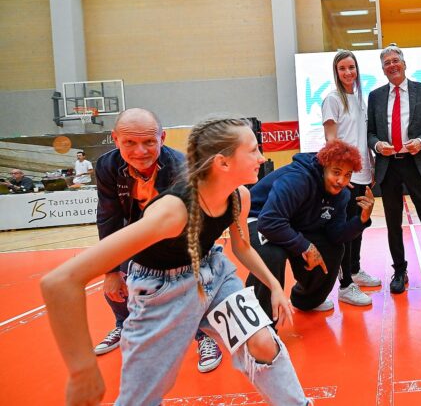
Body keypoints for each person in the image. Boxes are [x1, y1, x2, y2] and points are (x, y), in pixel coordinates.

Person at [40, 116, 310, 406]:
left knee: (263, 343)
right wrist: (82, 370)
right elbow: (60, 281)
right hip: (159, 289)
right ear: (223, 162)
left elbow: (242, 247)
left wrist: (275, 287)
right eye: (254, 150)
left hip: (214, 273)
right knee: (140, 398)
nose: (262, 157)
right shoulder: (172, 212)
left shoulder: (239, 196)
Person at [93, 108, 222, 373]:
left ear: (162, 138)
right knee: (116, 278)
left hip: (178, 233)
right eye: (130, 142)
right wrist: (111, 270)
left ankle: (204, 335)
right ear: (116, 140)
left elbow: (192, 223)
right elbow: (109, 216)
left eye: (149, 142)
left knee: (191, 282)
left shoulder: (181, 167)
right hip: (137, 228)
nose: (140, 151)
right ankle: (123, 325)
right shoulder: (107, 166)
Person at [245, 140, 374, 318]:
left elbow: (336, 235)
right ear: (323, 167)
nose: (341, 181)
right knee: (273, 255)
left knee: (333, 248)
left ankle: (306, 300)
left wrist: (361, 220)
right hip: (258, 217)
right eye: (336, 172)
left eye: (347, 175)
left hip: (290, 222)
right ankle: (258, 324)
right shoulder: (298, 179)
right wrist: (305, 246)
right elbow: (269, 221)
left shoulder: (341, 195)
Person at [367, 44, 421, 294]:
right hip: (388, 166)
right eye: (387, 63)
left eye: (396, 60)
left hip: (417, 164)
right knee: (393, 223)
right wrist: (377, 145)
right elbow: (370, 133)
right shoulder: (375, 96)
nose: (392, 65)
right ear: (383, 70)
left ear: (404, 64)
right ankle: (399, 270)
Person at [321, 50, 380, 307]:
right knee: (344, 232)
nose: (348, 72)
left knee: (359, 226)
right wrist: (342, 175)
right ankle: (345, 285)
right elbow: (331, 142)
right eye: (343, 68)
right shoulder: (332, 99)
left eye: (352, 67)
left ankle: (355, 270)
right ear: (336, 72)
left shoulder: (359, 99)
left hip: (364, 172)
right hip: (347, 177)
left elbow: (361, 137)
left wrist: (372, 166)